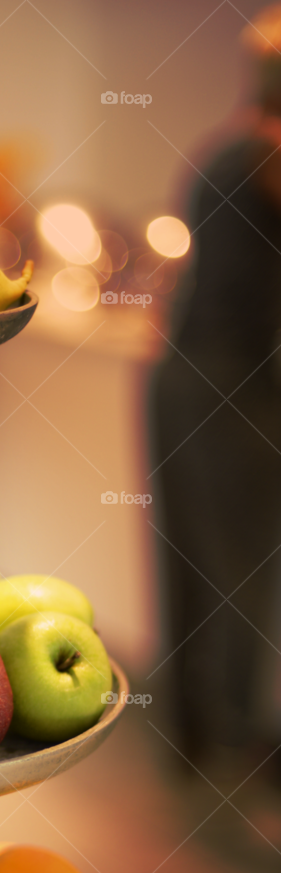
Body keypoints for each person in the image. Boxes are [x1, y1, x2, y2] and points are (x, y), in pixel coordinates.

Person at [150, 6, 281, 804]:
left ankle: (195, 744)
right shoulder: (266, 161)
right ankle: (231, 754)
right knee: (239, 577)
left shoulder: (226, 150)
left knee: (197, 571)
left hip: (186, 381)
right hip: (238, 396)